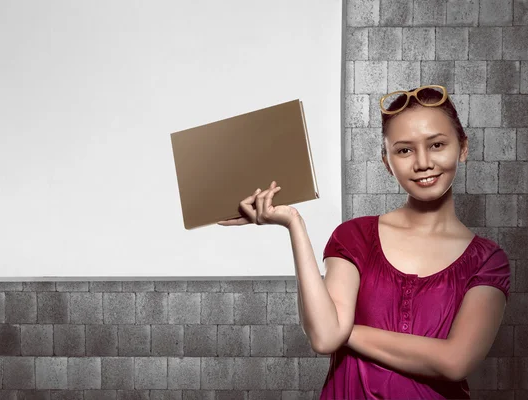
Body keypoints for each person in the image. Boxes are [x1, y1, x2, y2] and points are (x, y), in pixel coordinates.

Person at [217, 85, 511, 399]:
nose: (423, 162)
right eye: (404, 150)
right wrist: (294, 224)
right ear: (386, 161)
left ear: (462, 148)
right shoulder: (354, 237)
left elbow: (455, 362)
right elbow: (325, 339)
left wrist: (346, 331)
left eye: (437, 144)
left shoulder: (487, 260)